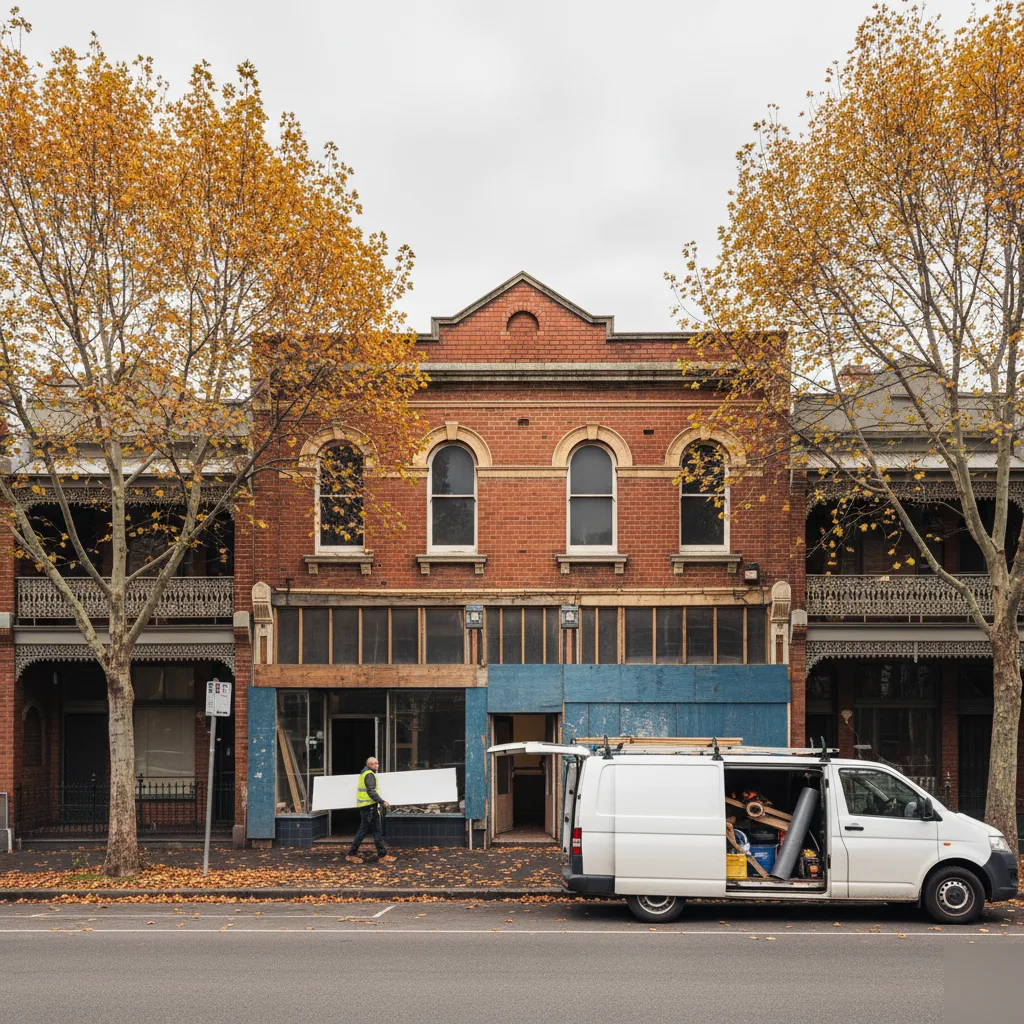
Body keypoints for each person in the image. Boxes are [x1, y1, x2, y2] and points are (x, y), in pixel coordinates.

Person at [346, 756, 396, 863]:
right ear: (368, 764)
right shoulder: (369, 775)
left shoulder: (367, 773)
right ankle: (351, 854)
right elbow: (371, 791)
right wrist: (382, 801)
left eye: (377, 763)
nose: (376, 765)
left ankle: (382, 855)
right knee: (363, 831)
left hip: (370, 807)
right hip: (368, 808)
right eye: (373, 764)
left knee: (377, 831)